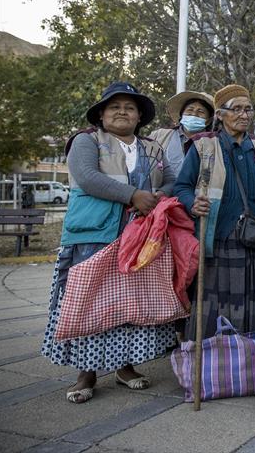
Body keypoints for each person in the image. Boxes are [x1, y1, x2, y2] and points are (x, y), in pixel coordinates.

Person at [41, 82, 177, 403]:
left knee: (127, 302)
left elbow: (171, 180)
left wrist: (160, 196)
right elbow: (87, 177)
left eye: (129, 107)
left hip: (138, 238)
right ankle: (85, 374)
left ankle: (123, 366)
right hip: (93, 236)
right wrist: (133, 195)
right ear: (101, 114)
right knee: (89, 303)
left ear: (139, 116)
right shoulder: (87, 142)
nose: (122, 112)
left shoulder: (152, 149)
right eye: (114, 106)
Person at [174, 84, 255, 341]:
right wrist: (192, 202)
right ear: (219, 114)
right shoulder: (203, 146)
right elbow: (181, 186)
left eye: (248, 109)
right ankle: (218, 365)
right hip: (219, 239)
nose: (244, 115)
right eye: (236, 109)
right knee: (218, 303)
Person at [148, 91, 214, 177]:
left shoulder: (215, 143)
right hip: (161, 189)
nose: (194, 114)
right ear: (181, 115)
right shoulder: (159, 136)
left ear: (208, 121)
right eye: (190, 110)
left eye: (200, 111)